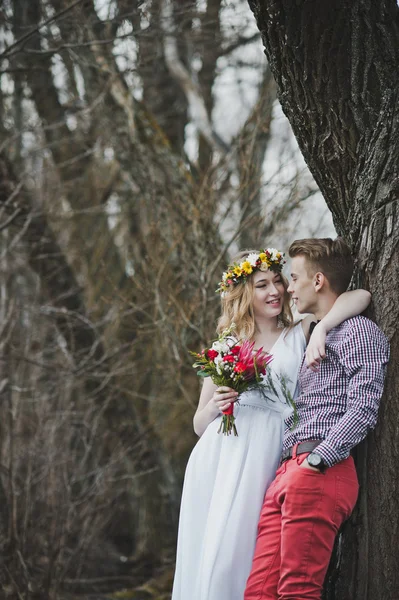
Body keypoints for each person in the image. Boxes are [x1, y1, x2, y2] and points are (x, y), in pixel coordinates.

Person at [171, 246, 371, 600]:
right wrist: (217, 405)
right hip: (223, 456)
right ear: (245, 293)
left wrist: (324, 326)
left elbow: (361, 295)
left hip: (272, 451)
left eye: (278, 281)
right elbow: (199, 424)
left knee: (252, 553)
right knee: (218, 555)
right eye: (262, 284)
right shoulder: (226, 345)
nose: (275, 291)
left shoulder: (301, 332)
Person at [244, 238, 390, 600]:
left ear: (319, 281)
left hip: (319, 471)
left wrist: (318, 459)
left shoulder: (359, 332)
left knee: (298, 592)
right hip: (287, 473)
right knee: (258, 592)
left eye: (294, 278)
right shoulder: (314, 333)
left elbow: (364, 407)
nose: (287, 287)